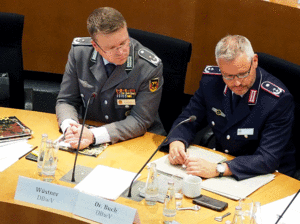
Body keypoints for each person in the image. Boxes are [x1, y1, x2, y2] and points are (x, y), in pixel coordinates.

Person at [165, 35, 296, 180]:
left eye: (242, 74)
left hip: (268, 174)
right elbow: (189, 119)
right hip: (224, 164)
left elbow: (268, 158)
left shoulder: (276, 100)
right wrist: (177, 141)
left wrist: (219, 168)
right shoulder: (211, 82)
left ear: (255, 61)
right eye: (228, 76)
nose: (237, 83)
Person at [56, 7, 165, 150]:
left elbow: (140, 120)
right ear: (95, 46)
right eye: (112, 48)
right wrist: (70, 129)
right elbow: (66, 100)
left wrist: (94, 135)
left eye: (124, 42)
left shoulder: (148, 66)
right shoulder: (80, 53)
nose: (121, 52)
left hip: (136, 142)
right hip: (88, 136)